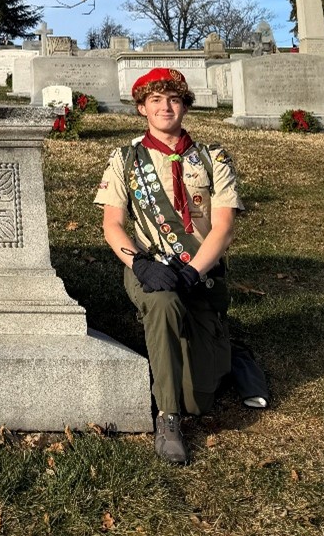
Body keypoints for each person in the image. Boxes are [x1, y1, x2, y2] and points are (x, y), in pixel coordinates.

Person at [94, 67, 249, 464]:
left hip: (201, 274)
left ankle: (234, 355)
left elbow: (224, 227)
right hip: (151, 269)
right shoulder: (125, 159)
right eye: (156, 100)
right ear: (142, 108)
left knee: (201, 398)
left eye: (174, 99)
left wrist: (193, 271)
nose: (166, 107)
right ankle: (168, 417)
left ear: (184, 106)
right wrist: (139, 265)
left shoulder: (213, 158)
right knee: (162, 302)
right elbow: (112, 224)